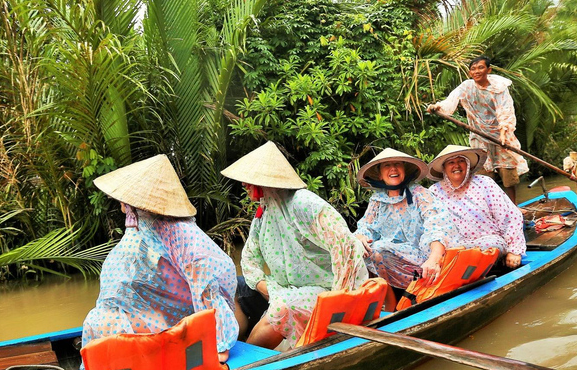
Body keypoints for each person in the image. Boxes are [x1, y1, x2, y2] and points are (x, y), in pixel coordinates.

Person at [81, 155, 238, 364]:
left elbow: (206, 283)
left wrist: (218, 343)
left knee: (100, 325)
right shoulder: (142, 227)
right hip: (155, 313)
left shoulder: (179, 232)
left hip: (178, 319)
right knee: (97, 324)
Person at [221, 141, 369, 349]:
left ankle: (245, 368)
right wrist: (267, 289)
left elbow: (345, 245)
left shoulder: (303, 202)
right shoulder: (263, 213)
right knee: (233, 286)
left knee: (281, 308)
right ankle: (237, 349)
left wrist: (337, 298)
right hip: (288, 287)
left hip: (327, 288)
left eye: (248, 181)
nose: (244, 185)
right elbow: (248, 258)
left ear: (264, 181)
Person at [354, 148, 458, 293]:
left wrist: (434, 258)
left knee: (379, 249)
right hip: (393, 260)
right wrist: (360, 237)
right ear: (379, 175)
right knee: (361, 247)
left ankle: (420, 287)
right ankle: (388, 297)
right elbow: (366, 227)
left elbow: (437, 225)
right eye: (387, 166)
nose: (393, 169)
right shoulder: (377, 200)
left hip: (425, 257)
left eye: (397, 164)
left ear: (404, 169)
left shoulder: (419, 194)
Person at [427, 56, 528, 203]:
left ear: (488, 70)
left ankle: (514, 206)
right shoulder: (466, 87)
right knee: (484, 175)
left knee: (508, 174)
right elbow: (451, 101)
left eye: (480, 67)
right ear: (469, 73)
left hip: (500, 135)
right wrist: (437, 107)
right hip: (479, 135)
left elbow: (504, 110)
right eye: (473, 69)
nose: (477, 71)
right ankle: (490, 208)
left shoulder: (498, 87)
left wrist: (503, 135)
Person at [428, 145, 526, 269]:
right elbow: (432, 227)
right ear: (444, 168)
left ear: (468, 165)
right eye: (451, 162)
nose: (456, 166)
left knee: (493, 245)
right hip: (454, 249)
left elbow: (510, 216)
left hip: (487, 243)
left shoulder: (484, 183)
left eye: (461, 161)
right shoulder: (434, 191)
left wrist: (514, 250)